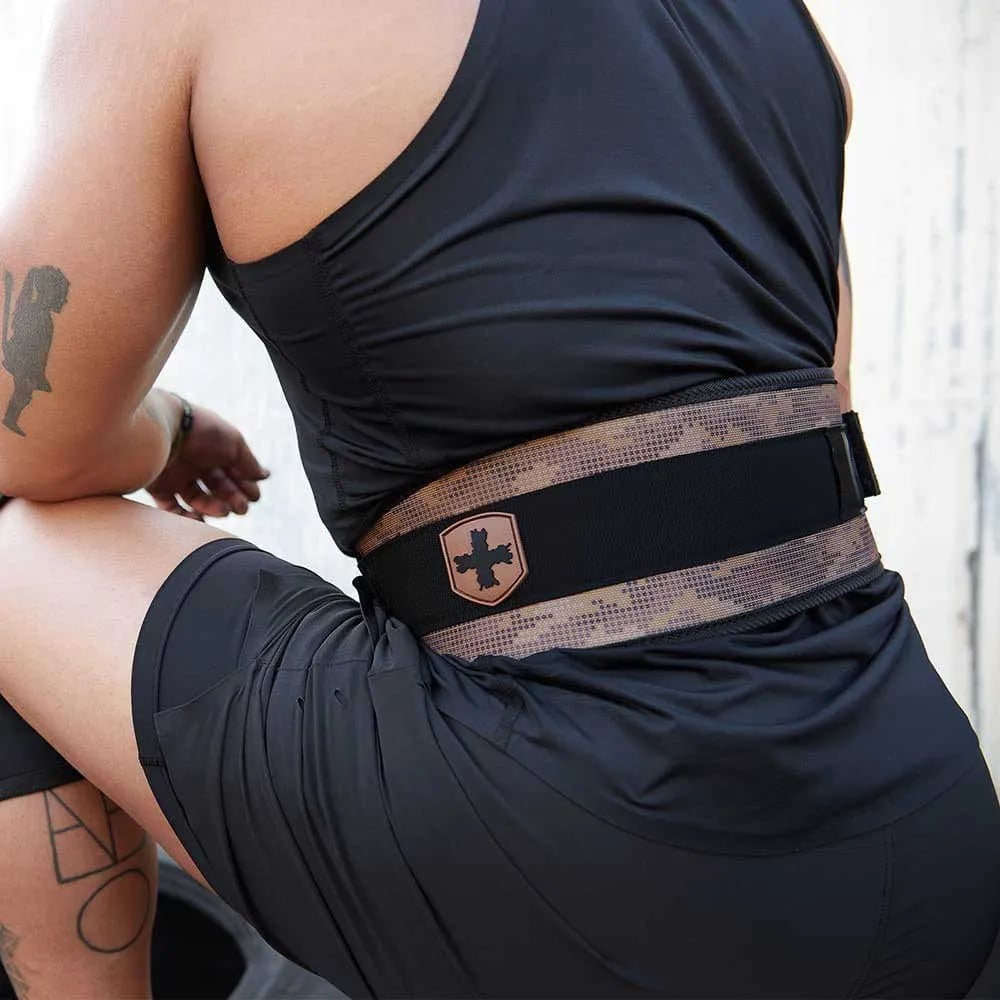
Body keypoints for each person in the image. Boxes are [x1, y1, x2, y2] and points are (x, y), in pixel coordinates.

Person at [0, 1, 997, 997]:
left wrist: (174, 428)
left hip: (582, 863)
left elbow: (26, 445)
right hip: (927, 829)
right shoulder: (790, 32)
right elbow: (809, 436)